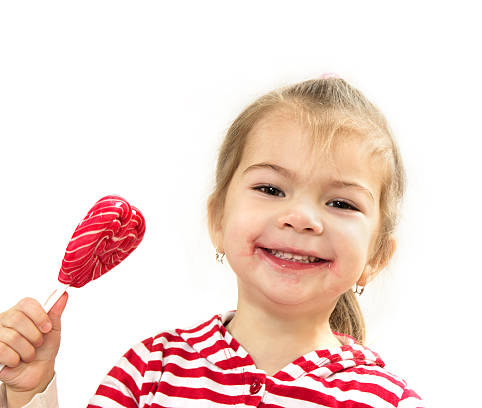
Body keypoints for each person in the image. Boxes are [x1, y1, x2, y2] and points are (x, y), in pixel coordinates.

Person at [0, 76, 424, 407]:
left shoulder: (386, 399)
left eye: (340, 202)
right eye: (271, 189)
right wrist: (29, 392)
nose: (301, 219)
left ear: (376, 256)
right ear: (218, 219)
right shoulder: (150, 371)